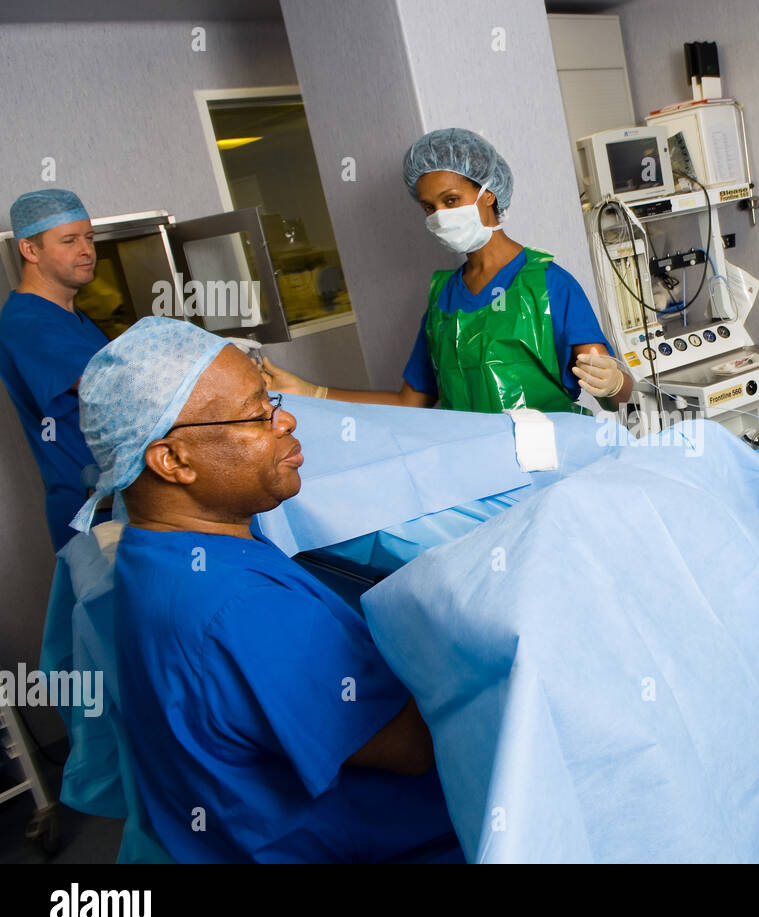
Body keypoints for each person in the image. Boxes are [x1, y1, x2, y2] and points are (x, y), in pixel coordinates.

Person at [73, 316, 455, 863]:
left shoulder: (152, 555)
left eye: (274, 400)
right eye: (259, 413)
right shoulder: (240, 608)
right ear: (173, 460)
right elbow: (412, 747)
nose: (288, 419)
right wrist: (449, 611)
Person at [262, 127, 634, 413]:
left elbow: (617, 393)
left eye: (451, 200)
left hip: (550, 464)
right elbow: (411, 403)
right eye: (429, 207)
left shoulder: (547, 283)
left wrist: (615, 381)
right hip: (473, 471)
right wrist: (312, 393)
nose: (440, 215)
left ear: (488, 192)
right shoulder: (443, 298)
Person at [0, 189, 108, 548]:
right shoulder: (28, 322)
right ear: (30, 250)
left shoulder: (73, 317)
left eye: (89, 238)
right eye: (69, 240)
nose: (86, 250)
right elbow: (109, 384)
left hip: (117, 497)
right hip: (89, 508)